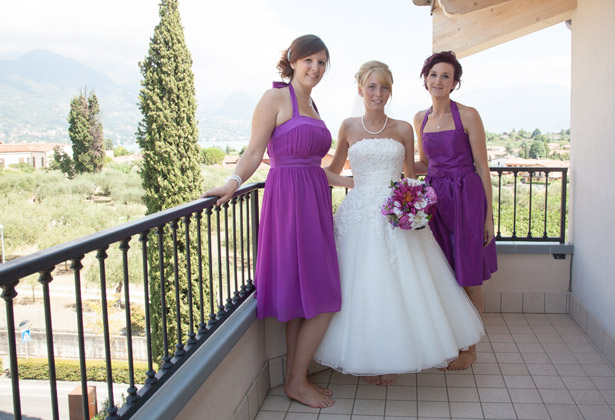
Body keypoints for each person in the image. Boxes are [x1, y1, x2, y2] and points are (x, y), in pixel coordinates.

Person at [202, 35, 351, 408]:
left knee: (309, 296)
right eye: (309, 61)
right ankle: (297, 381)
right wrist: (233, 183)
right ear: (293, 61)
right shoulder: (275, 98)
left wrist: (346, 181)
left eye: (321, 63)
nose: (315, 69)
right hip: (287, 203)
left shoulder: (312, 104)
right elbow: (255, 150)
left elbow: (313, 163)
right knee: (323, 297)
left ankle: (293, 380)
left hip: (314, 199)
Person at [313, 61, 484, 386]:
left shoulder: (405, 127)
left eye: (385, 87)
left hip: (395, 214)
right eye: (372, 87)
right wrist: (355, 183)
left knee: (401, 285)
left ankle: (399, 355)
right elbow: (333, 171)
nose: (378, 93)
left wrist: (413, 201)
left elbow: (412, 175)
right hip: (359, 213)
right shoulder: (348, 126)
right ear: (360, 89)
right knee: (363, 285)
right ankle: (371, 360)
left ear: (391, 91)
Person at [413, 51, 498, 370]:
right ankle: (447, 338)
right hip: (435, 199)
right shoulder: (419, 118)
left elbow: (482, 164)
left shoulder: (469, 115)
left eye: (445, 76)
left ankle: (471, 349)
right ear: (425, 78)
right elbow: (424, 164)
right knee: (442, 273)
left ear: (455, 83)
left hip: (466, 197)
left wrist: (489, 216)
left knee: (469, 275)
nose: (438, 81)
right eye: (433, 74)